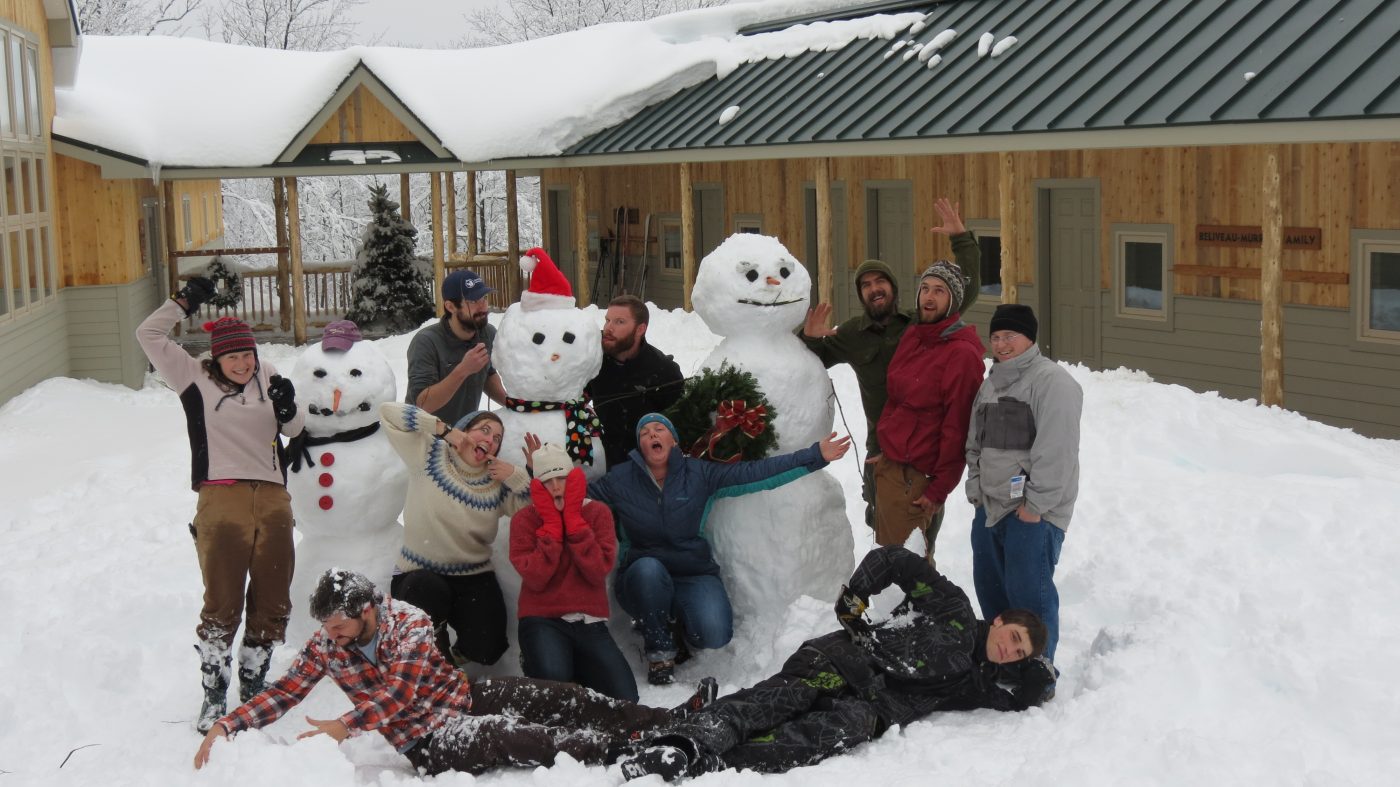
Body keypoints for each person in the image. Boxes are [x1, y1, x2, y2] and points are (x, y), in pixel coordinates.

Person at [193, 568, 704, 775]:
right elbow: (285, 691)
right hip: (426, 741)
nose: (333, 636)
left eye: (341, 625)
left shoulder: (409, 621)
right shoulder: (329, 642)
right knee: (517, 734)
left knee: (562, 696)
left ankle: (665, 718)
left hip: (459, 697)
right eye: (327, 627)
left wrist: (345, 724)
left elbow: (399, 689)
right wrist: (229, 723)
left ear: (368, 609)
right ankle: (628, 750)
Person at [615, 545, 1055, 781]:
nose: (1009, 650)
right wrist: (856, 596)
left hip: (870, 709)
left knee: (817, 735)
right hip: (845, 659)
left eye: (1018, 653)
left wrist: (1038, 667)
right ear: (998, 620)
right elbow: (893, 559)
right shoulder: (952, 607)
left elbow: (1025, 696)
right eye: (1013, 638)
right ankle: (686, 742)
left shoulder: (976, 682)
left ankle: (713, 765)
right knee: (779, 700)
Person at [135, 276, 306, 733]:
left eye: (248, 354)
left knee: (273, 597)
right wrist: (184, 302)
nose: (244, 363)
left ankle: (253, 687)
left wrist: (290, 409)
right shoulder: (191, 375)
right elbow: (148, 335)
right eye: (234, 356)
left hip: (272, 496)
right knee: (223, 599)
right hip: (220, 495)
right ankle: (214, 695)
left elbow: (293, 431)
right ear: (217, 357)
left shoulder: (267, 373)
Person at [588, 413, 853, 685]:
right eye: (644, 433)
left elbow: (753, 473)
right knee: (648, 570)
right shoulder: (621, 479)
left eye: (659, 429)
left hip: (692, 572)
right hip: (641, 576)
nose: (652, 435)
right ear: (640, 447)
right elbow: (577, 494)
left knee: (715, 633)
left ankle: (677, 627)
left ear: (675, 442)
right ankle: (659, 651)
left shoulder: (699, 474)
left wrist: (814, 456)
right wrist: (544, 469)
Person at [801, 198, 980, 526]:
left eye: (879, 281)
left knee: (920, 530)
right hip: (879, 447)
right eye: (866, 285)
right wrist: (810, 338)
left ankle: (921, 572)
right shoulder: (853, 333)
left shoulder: (919, 324)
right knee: (882, 524)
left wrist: (961, 239)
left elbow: (964, 290)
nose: (874, 289)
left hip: (922, 447)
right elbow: (808, 363)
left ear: (893, 288)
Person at [965, 303, 1082, 673]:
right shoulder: (991, 384)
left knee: (1031, 602)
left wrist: (1035, 507)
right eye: (996, 337)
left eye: (1009, 336)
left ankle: (1038, 674)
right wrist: (976, 490)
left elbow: (1056, 451)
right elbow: (975, 443)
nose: (1001, 344)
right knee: (993, 597)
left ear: (1029, 338)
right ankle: (1004, 668)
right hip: (991, 508)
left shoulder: (1053, 383)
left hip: (1032, 514)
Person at [380, 401, 531, 666]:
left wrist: (517, 475)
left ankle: (451, 657)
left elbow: (534, 510)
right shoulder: (429, 453)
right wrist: (443, 430)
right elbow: (387, 413)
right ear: (464, 430)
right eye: (483, 430)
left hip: (472, 576)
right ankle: (432, 660)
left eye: (496, 438)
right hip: (419, 572)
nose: (490, 440)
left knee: (488, 649)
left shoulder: (496, 482)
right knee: (426, 589)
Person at [866, 259, 985, 563]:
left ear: (953, 301)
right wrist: (888, 449)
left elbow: (957, 427)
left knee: (906, 565)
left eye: (940, 292)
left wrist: (939, 489)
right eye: (926, 289)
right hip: (892, 467)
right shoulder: (915, 335)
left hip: (917, 479)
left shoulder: (961, 354)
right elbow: (896, 399)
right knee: (890, 560)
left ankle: (921, 611)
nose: (929, 298)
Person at [509, 443, 638, 702]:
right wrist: (553, 529)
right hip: (542, 618)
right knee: (555, 685)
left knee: (625, 697)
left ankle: (576, 665)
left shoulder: (597, 512)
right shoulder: (524, 520)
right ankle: (541, 660)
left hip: (588, 621)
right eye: (547, 481)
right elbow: (535, 577)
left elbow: (597, 570)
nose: (556, 487)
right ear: (538, 487)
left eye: (561, 479)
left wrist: (575, 525)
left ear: (573, 480)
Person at [586, 295, 685, 468]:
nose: (608, 328)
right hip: (599, 461)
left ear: (640, 329)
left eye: (619, 322)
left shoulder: (663, 370)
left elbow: (678, 426)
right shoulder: (593, 358)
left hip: (645, 466)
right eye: (607, 320)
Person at [405, 268, 506, 426]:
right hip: (424, 436)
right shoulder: (426, 342)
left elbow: (488, 374)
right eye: (473, 301)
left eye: (484, 298)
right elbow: (423, 404)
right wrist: (463, 370)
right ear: (451, 306)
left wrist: (511, 403)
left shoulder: (487, 333)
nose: (483, 306)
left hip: (465, 432)